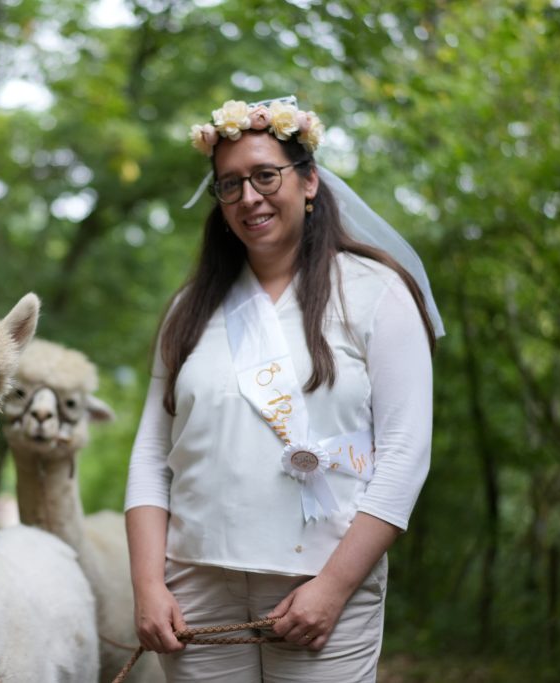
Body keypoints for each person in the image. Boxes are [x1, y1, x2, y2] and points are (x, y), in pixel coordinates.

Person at [123, 96, 444, 682]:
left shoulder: (377, 292)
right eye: (229, 185)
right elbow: (151, 455)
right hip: (194, 582)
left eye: (265, 175)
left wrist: (332, 589)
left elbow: (405, 454)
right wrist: (147, 584)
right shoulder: (188, 310)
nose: (249, 197)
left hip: (322, 583)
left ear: (309, 180)